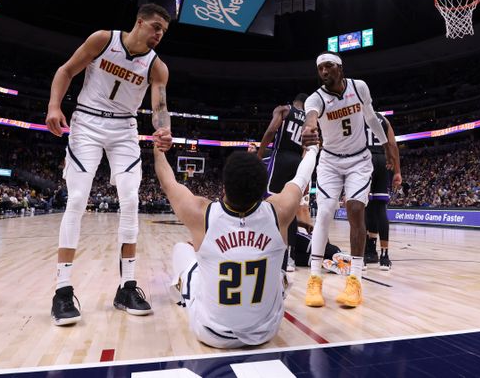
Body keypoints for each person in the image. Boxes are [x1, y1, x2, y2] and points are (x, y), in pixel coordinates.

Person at [45, 3, 173, 325]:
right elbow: (66, 70)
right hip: (87, 122)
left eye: (164, 31)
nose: (159, 34)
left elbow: (159, 107)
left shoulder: (157, 67)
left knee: (130, 201)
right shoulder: (104, 40)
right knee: (76, 200)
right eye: (156, 27)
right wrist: (53, 106)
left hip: (125, 129)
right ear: (140, 22)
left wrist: (164, 129)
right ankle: (62, 291)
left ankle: (127, 286)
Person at [155, 146, 318, 348]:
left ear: (224, 186)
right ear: (263, 189)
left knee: (183, 249)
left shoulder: (201, 213)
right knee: (280, 273)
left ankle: (183, 289)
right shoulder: (280, 211)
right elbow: (301, 178)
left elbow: (167, 182)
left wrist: (158, 149)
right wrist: (312, 149)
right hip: (266, 331)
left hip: (212, 333)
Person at [301, 52, 394, 308]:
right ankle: (314, 279)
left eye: (328, 66)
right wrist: (309, 127)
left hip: (358, 160)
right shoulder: (316, 98)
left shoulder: (359, 87)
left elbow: (371, 118)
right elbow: (310, 115)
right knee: (324, 213)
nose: (324, 72)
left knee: (355, 209)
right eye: (320, 68)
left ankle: (355, 280)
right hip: (330, 161)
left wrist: (386, 145)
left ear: (340, 68)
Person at [256, 93, 308, 272]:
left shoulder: (284, 109)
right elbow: (307, 149)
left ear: (294, 102)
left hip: (280, 158)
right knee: (291, 209)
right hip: (298, 162)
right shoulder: (309, 120)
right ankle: (290, 258)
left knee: (271, 202)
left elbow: (271, 131)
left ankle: (272, 251)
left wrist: (259, 154)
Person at [364, 114, 402, 271]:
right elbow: (392, 145)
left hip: (364, 160)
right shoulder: (384, 120)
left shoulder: (358, 116)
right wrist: (397, 172)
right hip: (382, 161)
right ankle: (383, 256)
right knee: (379, 208)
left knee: (365, 207)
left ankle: (364, 254)